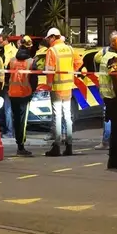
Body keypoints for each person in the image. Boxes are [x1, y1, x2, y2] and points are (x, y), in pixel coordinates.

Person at [44, 27, 79, 157]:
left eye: (48, 38)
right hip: (68, 86)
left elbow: (49, 71)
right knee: (67, 116)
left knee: (57, 117)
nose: (48, 41)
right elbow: (78, 62)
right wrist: (71, 72)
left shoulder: (52, 50)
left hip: (57, 88)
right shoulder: (69, 48)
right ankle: (69, 146)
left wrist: (49, 85)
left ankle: (57, 146)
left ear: (53, 37)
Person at [9, 35, 37, 156]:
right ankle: (21, 146)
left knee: (16, 120)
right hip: (24, 94)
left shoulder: (12, 60)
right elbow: (34, 80)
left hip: (12, 93)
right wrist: (32, 91)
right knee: (22, 121)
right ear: (29, 47)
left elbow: (6, 76)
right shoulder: (31, 62)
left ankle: (18, 143)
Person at [0, 34, 16, 138]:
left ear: (5, 40)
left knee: (7, 108)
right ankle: (6, 130)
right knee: (5, 108)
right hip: (6, 83)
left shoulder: (11, 51)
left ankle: (9, 131)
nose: (0, 44)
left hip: (8, 83)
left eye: (1, 42)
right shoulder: (4, 51)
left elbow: (6, 66)